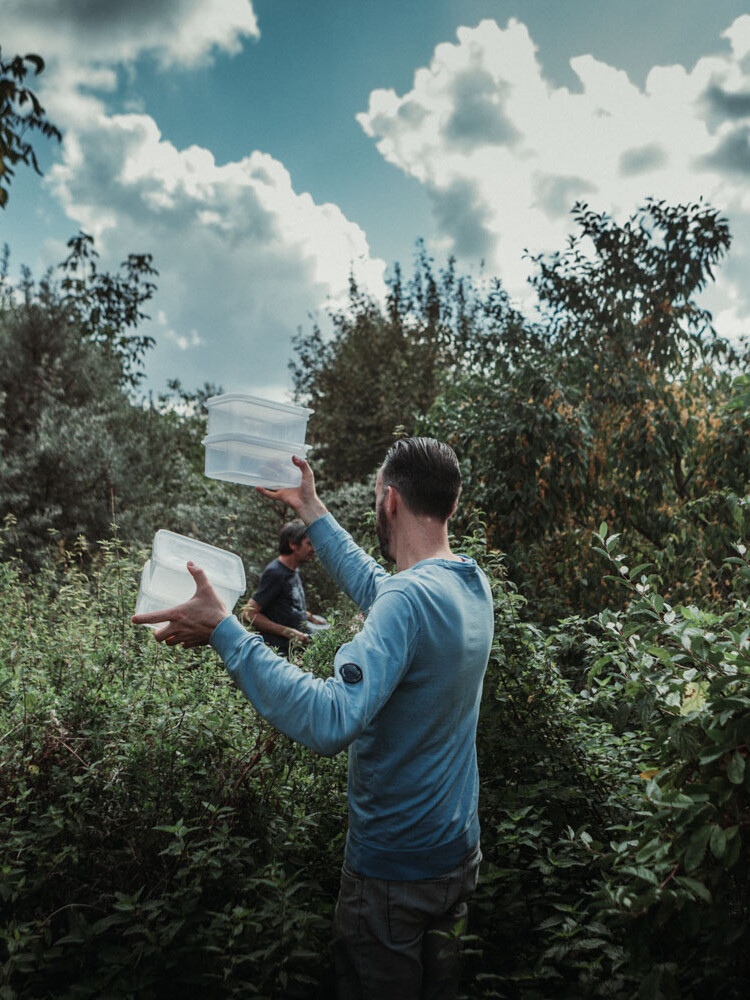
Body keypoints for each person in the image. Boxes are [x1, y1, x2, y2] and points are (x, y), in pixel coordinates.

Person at [132, 437, 495, 999]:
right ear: (451, 502)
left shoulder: (409, 601)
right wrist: (311, 509)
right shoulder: (468, 583)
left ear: (390, 500)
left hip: (393, 875)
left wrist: (226, 632)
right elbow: (383, 589)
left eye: (377, 497)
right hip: (456, 854)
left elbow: (329, 719)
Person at [241, 519, 325, 656]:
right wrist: (288, 632)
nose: (313, 550)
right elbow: (248, 613)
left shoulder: (292, 570)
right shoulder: (275, 573)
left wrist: (309, 616)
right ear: (293, 544)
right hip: (278, 653)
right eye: (309, 544)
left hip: (294, 651)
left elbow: (288, 605)